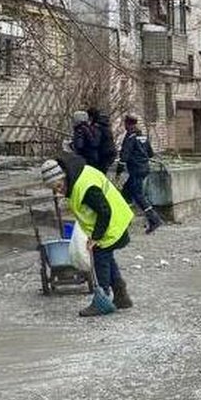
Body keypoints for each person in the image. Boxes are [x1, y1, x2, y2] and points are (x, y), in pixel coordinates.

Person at [40, 154, 134, 317]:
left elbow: (104, 211)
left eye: (59, 186)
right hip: (112, 220)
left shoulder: (85, 186)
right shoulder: (77, 177)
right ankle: (121, 296)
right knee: (107, 258)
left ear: (64, 176)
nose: (59, 190)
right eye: (55, 188)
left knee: (100, 259)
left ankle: (101, 300)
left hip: (111, 223)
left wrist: (96, 237)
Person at [116, 114, 163, 233]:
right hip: (144, 168)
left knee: (138, 195)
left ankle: (154, 219)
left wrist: (119, 170)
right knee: (125, 194)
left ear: (127, 124)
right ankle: (124, 219)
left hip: (136, 169)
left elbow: (124, 155)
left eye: (125, 124)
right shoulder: (142, 136)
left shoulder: (130, 137)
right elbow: (150, 153)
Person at [85, 106, 117, 173]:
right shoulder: (105, 125)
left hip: (104, 155)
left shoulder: (97, 127)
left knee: (99, 174)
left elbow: (95, 142)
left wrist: (87, 136)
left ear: (91, 117)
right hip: (109, 153)